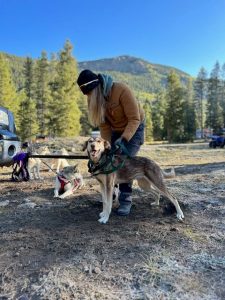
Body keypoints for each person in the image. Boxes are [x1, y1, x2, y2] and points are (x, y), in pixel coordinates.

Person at [77, 69, 145, 216]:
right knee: (109, 160)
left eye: (89, 94)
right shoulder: (94, 99)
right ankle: (111, 194)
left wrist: (124, 138)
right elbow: (104, 126)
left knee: (124, 162)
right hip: (115, 130)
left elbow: (135, 119)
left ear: (96, 88)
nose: (88, 97)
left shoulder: (121, 90)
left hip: (135, 127)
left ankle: (125, 200)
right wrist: (106, 146)